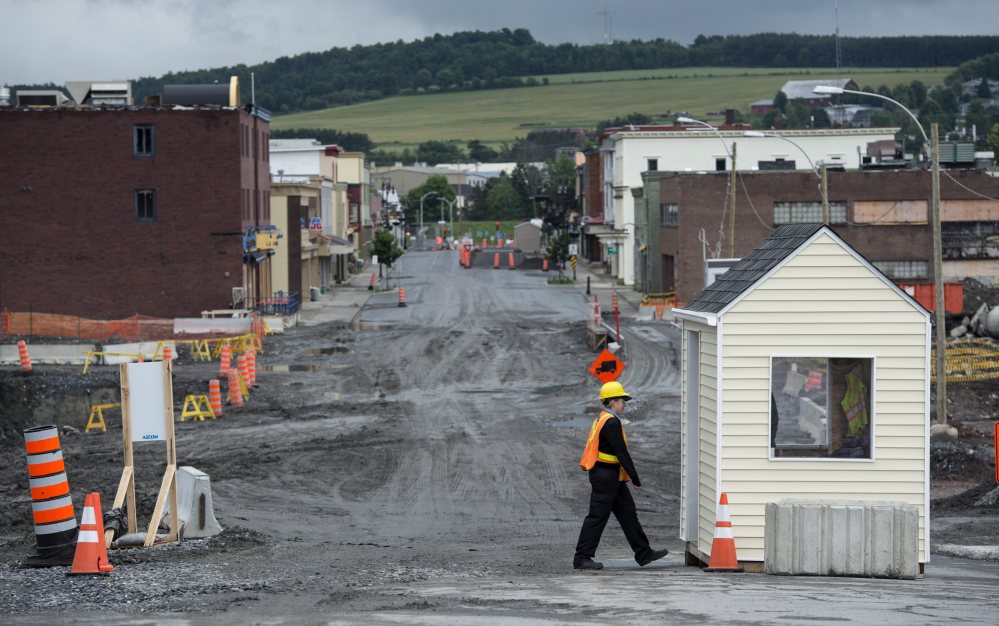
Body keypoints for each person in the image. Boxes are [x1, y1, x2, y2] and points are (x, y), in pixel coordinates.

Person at [573, 381, 669, 571]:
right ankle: (582, 558)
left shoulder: (603, 418)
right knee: (597, 517)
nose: (624, 403)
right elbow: (621, 453)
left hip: (610, 475)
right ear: (612, 402)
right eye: (622, 400)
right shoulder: (611, 422)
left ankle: (643, 553)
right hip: (606, 476)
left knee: (628, 514)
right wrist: (635, 478)